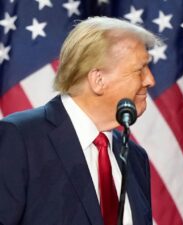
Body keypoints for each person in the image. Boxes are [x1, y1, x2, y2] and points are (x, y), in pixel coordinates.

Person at [0, 16, 160, 225]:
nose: (150, 80)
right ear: (98, 80)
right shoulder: (20, 139)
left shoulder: (134, 157)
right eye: (140, 70)